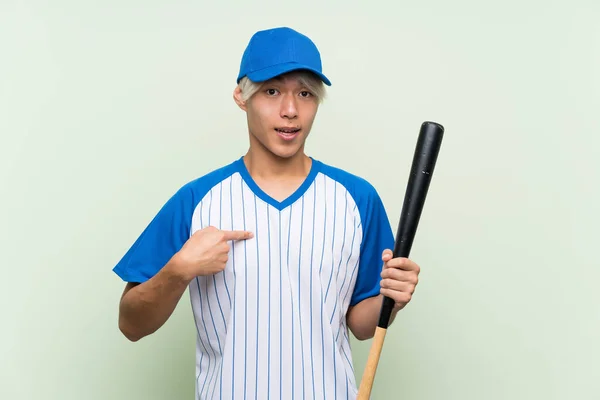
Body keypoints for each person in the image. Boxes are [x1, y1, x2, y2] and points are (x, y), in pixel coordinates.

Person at [113, 26, 421, 400]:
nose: (290, 110)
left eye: (305, 93)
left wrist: (394, 297)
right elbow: (130, 323)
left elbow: (360, 325)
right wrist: (179, 270)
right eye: (272, 91)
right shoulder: (198, 200)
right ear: (241, 97)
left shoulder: (357, 199)